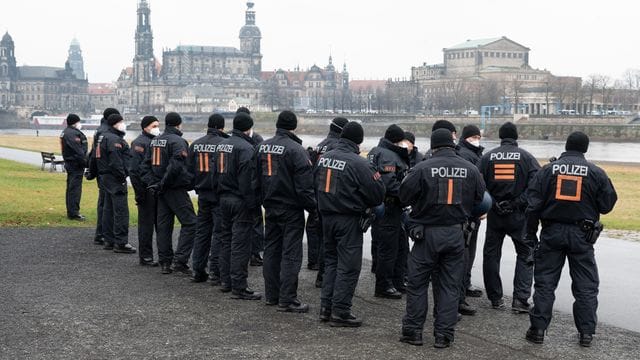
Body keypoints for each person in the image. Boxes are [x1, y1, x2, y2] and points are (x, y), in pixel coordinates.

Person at [525, 131, 617, 347]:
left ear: (566, 146)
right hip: (582, 235)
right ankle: (586, 333)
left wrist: (530, 235)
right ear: (585, 149)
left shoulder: (548, 170)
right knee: (586, 285)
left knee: (545, 282)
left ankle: (538, 329)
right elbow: (607, 204)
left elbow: (533, 206)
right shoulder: (596, 172)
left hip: (551, 232)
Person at [399, 128, 485, 348]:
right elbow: (479, 198)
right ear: (452, 144)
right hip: (456, 234)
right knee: (449, 285)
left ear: (433, 146)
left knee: (417, 285)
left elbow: (403, 196)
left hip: (426, 235)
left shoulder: (421, 168)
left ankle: (413, 332)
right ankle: (443, 335)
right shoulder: (471, 169)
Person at [316, 121, 385, 327]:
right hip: (348, 219)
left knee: (331, 263)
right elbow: (377, 194)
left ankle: (326, 308)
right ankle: (341, 311)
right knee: (348, 266)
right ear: (359, 141)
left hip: (326, 216)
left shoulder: (324, 158)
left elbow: (313, 184)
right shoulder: (359, 163)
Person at [257, 110, 316, 312]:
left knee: (271, 250)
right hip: (291, 208)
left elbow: (254, 179)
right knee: (291, 253)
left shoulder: (262, 147)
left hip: (270, 206)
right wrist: (313, 208)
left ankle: (272, 295)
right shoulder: (296, 150)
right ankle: (287, 298)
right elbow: (304, 187)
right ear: (294, 127)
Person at [478, 122, 540, 312]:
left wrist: (494, 202)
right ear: (516, 137)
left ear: (500, 136)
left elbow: (479, 185)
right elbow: (535, 186)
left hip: (495, 214)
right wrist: (516, 203)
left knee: (491, 254)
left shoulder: (487, 157)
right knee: (525, 253)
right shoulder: (527, 158)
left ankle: (495, 298)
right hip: (519, 215)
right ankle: (520, 299)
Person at [141, 112, 196, 275]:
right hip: (173, 188)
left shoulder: (155, 141)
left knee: (164, 226)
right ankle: (180, 260)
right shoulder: (178, 142)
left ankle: (165, 261)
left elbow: (145, 166)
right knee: (191, 223)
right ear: (179, 124)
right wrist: (163, 183)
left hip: (160, 188)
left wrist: (154, 183)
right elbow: (176, 166)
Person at [216, 112, 262, 300]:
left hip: (223, 198)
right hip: (240, 201)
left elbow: (214, 172)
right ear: (249, 128)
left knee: (225, 240)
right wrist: (253, 205)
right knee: (240, 244)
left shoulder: (222, 145)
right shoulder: (246, 148)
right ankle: (239, 286)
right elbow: (247, 182)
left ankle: (226, 281)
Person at [368, 124, 410, 299]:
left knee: (399, 247)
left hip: (385, 207)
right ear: (397, 141)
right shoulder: (387, 155)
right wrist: (409, 195)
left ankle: (397, 282)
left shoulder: (375, 151)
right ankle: (384, 286)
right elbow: (389, 184)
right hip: (390, 206)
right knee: (388, 249)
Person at [307, 117, 349, 287]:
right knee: (328, 241)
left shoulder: (321, 145)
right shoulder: (336, 147)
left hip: (317, 194)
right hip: (330, 197)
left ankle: (314, 261)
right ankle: (323, 275)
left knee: (316, 231)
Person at [189, 113, 229, 284]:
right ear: (221, 127)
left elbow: (188, 170)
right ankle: (215, 271)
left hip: (202, 193)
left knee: (202, 232)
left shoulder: (195, 144)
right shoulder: (223, 145)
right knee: (219, 233)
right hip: (218, 194)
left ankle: (198, 270)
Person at [455, 124, 485, 315]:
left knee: (468, 253)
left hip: (470, 211)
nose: (477, 139)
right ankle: (460, 294)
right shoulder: (466, 156)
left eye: (478, 136)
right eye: (473, 136)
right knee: (464, 254)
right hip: (467, 212)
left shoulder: (474, 154)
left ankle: (465, 285)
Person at [95, 114, 136, 254]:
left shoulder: (103, 137)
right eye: (121, 122)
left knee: (108, 209)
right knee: (120, 211)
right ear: (116, 124)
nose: (123, 124)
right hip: (114, 178)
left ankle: (108, 239)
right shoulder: (114, 139)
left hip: (105, 177)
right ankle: (120, 242)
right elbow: (115, 161)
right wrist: (122, 175)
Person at [129, 115, 161, 266]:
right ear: (145, 127)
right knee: (146, 225)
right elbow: (134, 171)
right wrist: (140, 193)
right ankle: (146, 256)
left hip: (155, 189)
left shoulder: (155, 142)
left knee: (158, 224)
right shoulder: (140, 143)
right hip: (146, 190)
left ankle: (161, 255)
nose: (157, 129)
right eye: (154, 126)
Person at [236, 106, 266, 267]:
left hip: (249, 188)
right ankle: (253, 252)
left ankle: (255, 252)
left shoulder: (256, 140)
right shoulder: (257, 140)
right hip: (246, 188)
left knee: (254, 222)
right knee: (252, 223)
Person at [87, 107, 121, 245]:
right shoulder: (106, 132)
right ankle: (103, 233)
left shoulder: (100, 130)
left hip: (101, 171)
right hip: (106, 171)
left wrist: (92, 170)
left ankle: (103, 233)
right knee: (106, 204)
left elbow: (94, 153)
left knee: (104, 203)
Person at [60, 113, 88, 221]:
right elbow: (78, 151)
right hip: (75, 164)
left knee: (71, 188)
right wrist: (85, 163)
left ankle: (71, 210)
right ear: (75, 122)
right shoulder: (72, 134)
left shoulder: (66, 132)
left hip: (70, 163)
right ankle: (73, 212)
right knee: (75, 189)